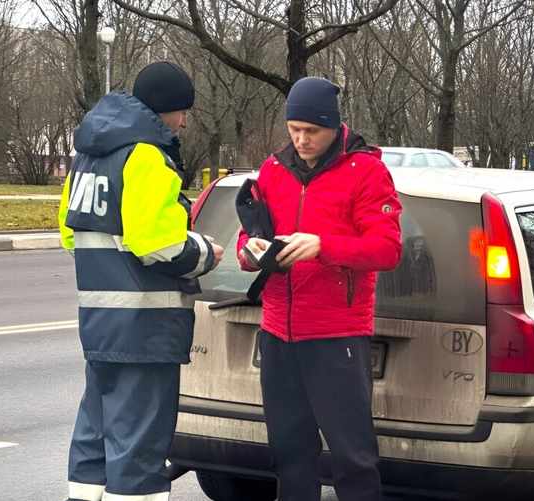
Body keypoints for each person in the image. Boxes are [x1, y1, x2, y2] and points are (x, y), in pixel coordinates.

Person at [58, 61, 224, 501]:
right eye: (182, 111)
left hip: (99, 324)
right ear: (163, 111)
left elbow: (69, 234)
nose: (185, 121)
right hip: (145, 328)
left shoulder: (89, 155)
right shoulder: (146, 154)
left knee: (94, 438)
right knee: (140, 447)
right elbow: (157, 244)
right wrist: (205, 252)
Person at [237, 77, 402, 501]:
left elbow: (387, 248)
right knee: (289, 453)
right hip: (278, 331)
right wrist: (249, 249)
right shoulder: (274, 170)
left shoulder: (366, 170)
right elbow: (251, 232)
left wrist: (323, 246)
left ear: (334, 127)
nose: (301, 139)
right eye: (294, 129)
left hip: (337, 335)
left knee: (353, 457)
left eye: (312, 131)